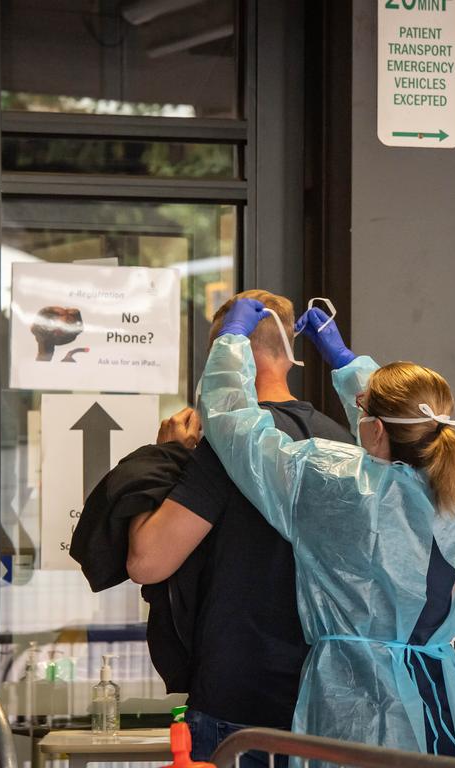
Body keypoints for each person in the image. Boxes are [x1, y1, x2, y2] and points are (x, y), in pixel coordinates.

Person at [196, 299, 455, 762]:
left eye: (364, 410)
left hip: (353, 696)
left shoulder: (331, 483)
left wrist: (231, 345)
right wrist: (349, 364)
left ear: (371, 428)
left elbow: (238, 429)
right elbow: (397, 434)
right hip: (437, 697)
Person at [126, 290, 352, 765]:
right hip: (326, 702)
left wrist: (165, 458)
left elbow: (148, 561)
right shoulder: (345, 441)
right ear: (288, 352)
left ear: (229, 355)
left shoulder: (229, 450)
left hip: (238, 705)